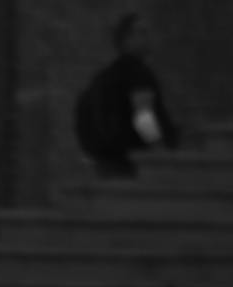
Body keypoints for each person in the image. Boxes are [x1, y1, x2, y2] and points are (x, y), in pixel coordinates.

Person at [74, 11, 181, 177]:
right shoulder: (138, 74)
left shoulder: (106, 76)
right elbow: (143, 116)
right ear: (126, 39)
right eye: (142, 32)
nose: (148, 38)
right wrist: (159, 150)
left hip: (108, 161)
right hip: (134, 163)